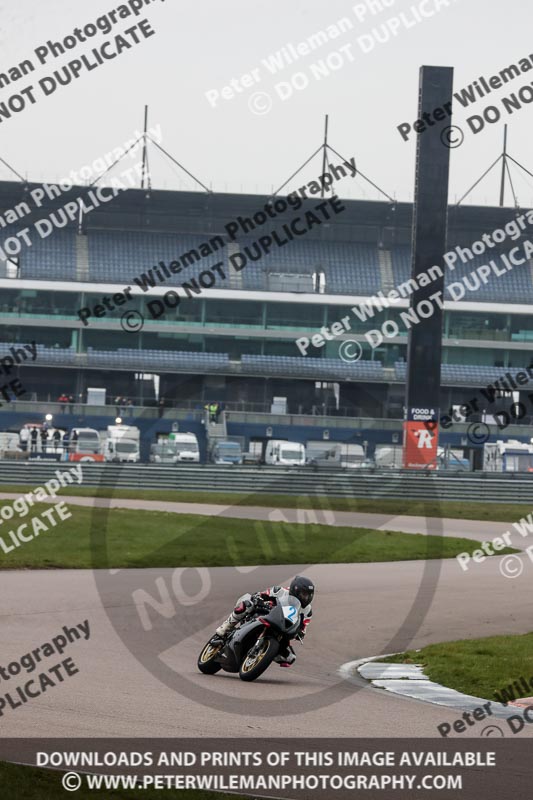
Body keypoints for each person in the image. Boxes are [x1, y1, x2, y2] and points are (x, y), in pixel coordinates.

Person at [214, 575, 314, 668]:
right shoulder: (279, 591)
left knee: (289, 657)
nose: (306, 598)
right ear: (295, 590)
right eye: (304, 594)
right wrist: (260, 599)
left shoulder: (307, 611)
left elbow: (303, 627)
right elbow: (261, 594)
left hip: (283, 627)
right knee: (246, 605)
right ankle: (226, 627)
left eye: (309, 595)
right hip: (265, 613)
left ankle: (265, 653)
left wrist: (300, 633)